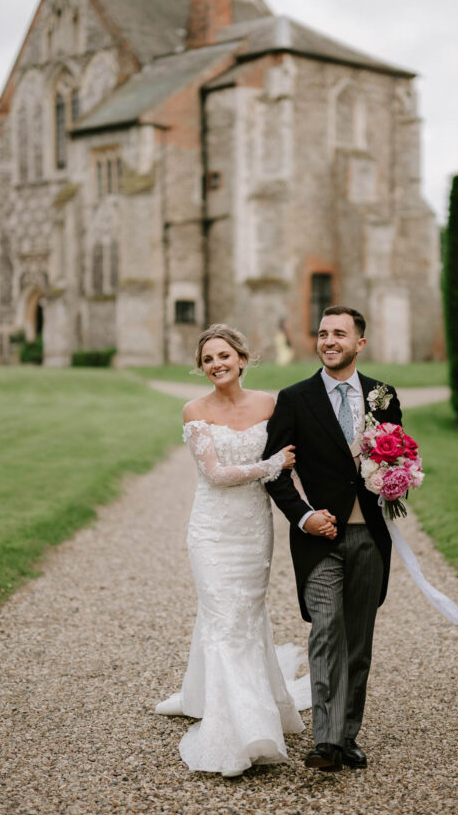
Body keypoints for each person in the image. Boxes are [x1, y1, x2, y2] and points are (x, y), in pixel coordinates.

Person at [155, 324, 310, 778]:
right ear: (201, 368)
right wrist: (271, 463)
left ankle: (203, 694)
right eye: (207, 359)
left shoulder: (269, 405)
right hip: (212, 530)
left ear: (242, 359)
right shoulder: (195, 410)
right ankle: (243, 728)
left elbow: (299, 459)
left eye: (224, 355)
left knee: (244, 615)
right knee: (222, 616)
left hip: (253, 529)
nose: (216, 364)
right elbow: (215, 475)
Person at [263, 305, 402, 773]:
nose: (328, 341)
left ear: (359, 343)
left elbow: (398, 457)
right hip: (318, 539)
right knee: (326, 630)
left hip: (370, 537)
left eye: (339, 334)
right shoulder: (294, 399)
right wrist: (304, 518)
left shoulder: (383, 396)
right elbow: (275, 471)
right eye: (323, 333)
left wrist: (397, 478)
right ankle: (325, 741)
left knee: (358, 641)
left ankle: (346, 736)